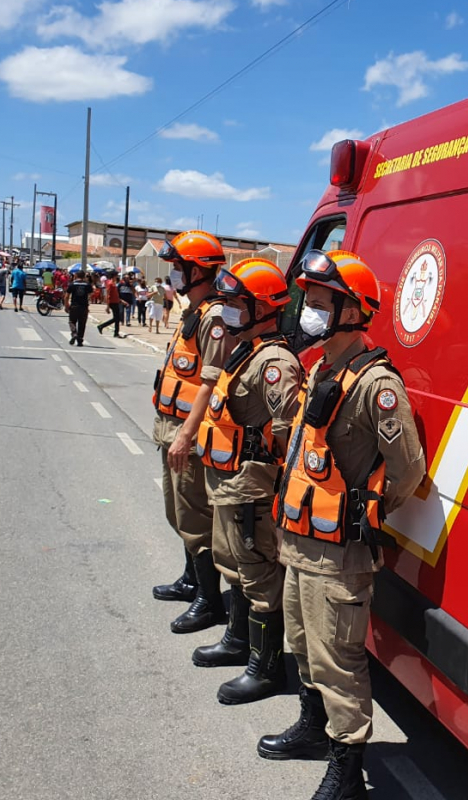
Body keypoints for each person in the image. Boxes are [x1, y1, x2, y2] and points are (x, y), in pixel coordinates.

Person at [257, 251, 425, 799]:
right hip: (300, 543)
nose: (308, 310)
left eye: (320, 302)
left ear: (351, 311)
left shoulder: (377, 384)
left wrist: (366, 513)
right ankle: (312, 727)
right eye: (308, 300)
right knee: (305, 647)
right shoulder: (320, 369)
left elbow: (408, 470)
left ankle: (348, 770)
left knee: (339, 660)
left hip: (338, 554)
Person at [191, 259, 303, 705]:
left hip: (251, 488)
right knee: (233, 565)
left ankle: (267, 667)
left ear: (263, 307)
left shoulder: (274, 361)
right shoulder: (246, 348)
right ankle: (238, 640)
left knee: (259, 577)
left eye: (238, 304)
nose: (228, 312)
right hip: (229, 483)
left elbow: (287, 430)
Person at [151, 230, 239, 632]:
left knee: (195, 518)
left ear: (199, 271)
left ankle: (208, 601)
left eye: (179, 268)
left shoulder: (215, 317)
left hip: (190, 434)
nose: (173, 275)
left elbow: (210, 381)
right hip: (170, 428)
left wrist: (186, 434)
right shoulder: (193, 310)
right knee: (177, 511)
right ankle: (191, 580)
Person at [65, 270, 93, 346]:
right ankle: (80, 340)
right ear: (84, 276)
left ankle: (74, 334)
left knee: (72, 321)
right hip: (83, 307)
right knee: (82, 323)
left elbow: (67, 296)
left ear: (76, 276)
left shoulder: (72, 284)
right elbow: (90, 295)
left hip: (74, 306)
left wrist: (66, 306)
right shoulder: (87, 284)